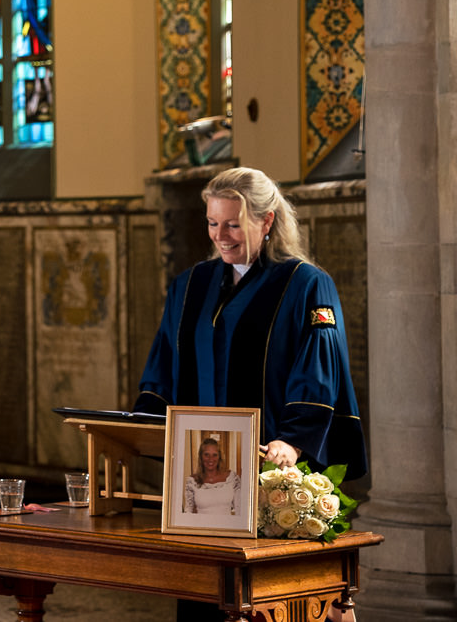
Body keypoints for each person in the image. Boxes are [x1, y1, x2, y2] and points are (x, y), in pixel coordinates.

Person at [134, 167, 367, 480]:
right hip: (194, 467)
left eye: (233, 225)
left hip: (270, 462)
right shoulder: (190, 285)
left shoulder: (305, 284)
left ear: (266, 220)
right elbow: (162, 364)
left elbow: (317, 371)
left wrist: (293, 441)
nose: (220, 236)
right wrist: (143, 423)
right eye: (212, 223)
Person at [184, 437, 240, 515]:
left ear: (219, 457)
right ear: (201, 456)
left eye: (215, 455)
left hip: (227, 526)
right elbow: (188, 512)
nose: (211, 459)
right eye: (206, 455)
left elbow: (239, 509)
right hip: (201, 526)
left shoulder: (232, 478)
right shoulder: (192, 481)